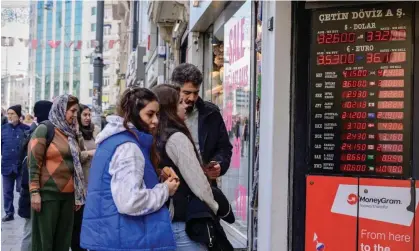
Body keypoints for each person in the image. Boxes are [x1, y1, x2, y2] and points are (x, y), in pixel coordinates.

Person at [81, 87, 178, 251]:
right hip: (127, 240)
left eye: (157, 114)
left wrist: (157, 175)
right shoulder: (128, 147)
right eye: (150, 114)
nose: (155, 120)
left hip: (113, 238)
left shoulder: (113, 140)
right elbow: (130, 202)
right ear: (134, 113)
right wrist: (165, 190)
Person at [153, 84, 218, 251]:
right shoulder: (176, 138)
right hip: (185, 223)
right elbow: (198, 182)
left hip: (167, 218)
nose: (186, 106)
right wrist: (214, 207)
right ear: (170, 109)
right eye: (180, 102)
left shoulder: (157, 135)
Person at [28, 95, 86, 251]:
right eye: (72, 111)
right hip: (48, 196)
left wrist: (77, 196)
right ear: (61, 109)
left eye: (76, 111)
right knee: (44, 243)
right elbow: (33, 164)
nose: (75, 115)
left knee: (62, 242)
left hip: (68, 197)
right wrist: (34, 192)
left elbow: (76, 163)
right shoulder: (44, 129)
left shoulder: (71, 132)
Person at [171, 63, 232, 182]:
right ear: (175, 89)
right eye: (187, 93)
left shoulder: (211, 113)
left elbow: (224, 148)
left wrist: (219, 164)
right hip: (174, 189)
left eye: (196, 93)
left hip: (204, 186)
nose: (192, 98)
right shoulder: (162, 114)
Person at [18, 100, 53, 251]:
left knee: (33, 233)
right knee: (30, 233)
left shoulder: (35, 131)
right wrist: (35, 192)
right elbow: (29, 169)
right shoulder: (38, 133)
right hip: (32, 193)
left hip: (31, 192)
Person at [71, 104, 100, 251]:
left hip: (95, 182)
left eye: (89, 115)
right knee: (79, 224)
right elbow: (73, 157)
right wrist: (88, 153)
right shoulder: (74, 133)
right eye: (85, 115)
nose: (88, 118)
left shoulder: (95, 131)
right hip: (80, 184)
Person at [1, 104, 30, 222]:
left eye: (12, 113)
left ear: (18, 115)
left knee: (21, 189)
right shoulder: (3, 129)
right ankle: (9, 213)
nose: (10, 116)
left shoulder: (26, 129)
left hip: (20, 167)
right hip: (6, 165)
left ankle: (22, 210)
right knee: (7, 192)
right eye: (8, 114)